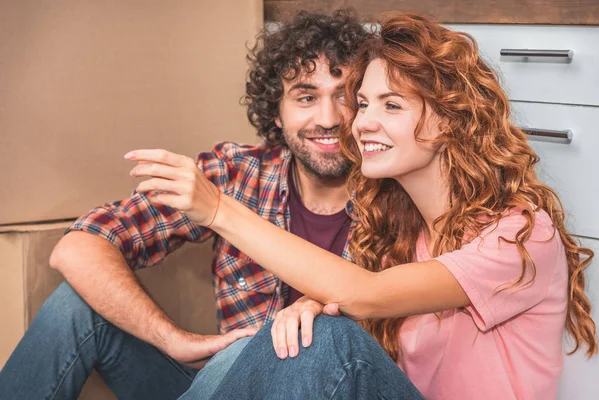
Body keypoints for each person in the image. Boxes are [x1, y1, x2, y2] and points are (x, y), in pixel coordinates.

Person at [125, 12, 598, 399]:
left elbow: (364, 293)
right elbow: (362, 301)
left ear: (451, 121)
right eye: (365, 104)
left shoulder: (520, 235)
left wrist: (217, 210)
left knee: (330, 341)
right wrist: (311, 307)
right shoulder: (403, 235)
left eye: (391, 106)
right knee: (300, 335)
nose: (362, 123)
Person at [0, 10, 370, 400]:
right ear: (277, 113)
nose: (329, 119)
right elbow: (78, 247)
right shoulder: (235, 173)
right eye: (306, 97)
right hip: (223, 386)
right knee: (74, 306)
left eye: (345, 96)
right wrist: (172, 339)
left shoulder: (395, 198)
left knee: (297, 338)